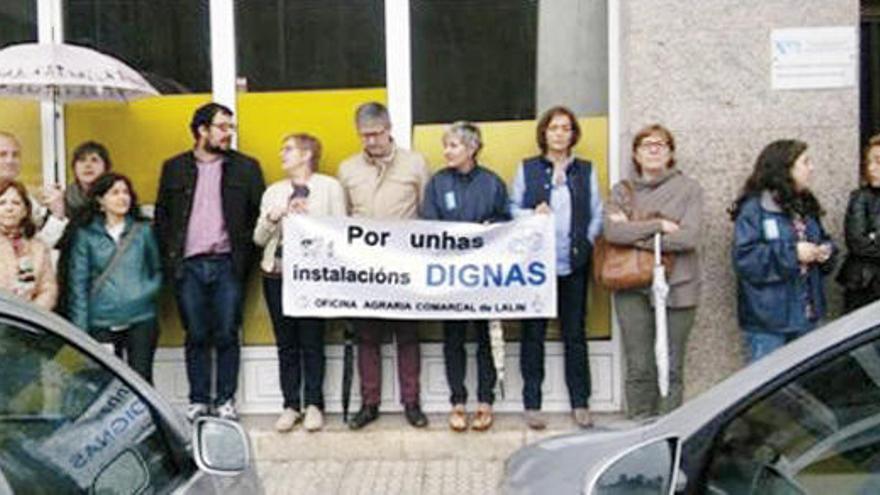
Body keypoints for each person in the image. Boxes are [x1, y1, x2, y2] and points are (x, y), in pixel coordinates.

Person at [155, 103, 265, 420]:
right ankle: (199, 399)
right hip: (188, 265)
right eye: (222, 127)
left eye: (231, 127)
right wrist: (169, 261)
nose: (228, 133)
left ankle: (225, 399)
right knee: (197, 333)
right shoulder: (174, 168)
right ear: (202, 130)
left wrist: (242, 259)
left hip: (227, 263)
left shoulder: (246, 168)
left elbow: (256, 218)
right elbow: (163, 218)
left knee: (228, 332)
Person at [337, 101, 431, 429]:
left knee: (407, 337)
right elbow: (344, 218)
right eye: (364, 136)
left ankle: (412, 403)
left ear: (389, 129)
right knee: (367, 338)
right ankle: (369, 403)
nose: (371, 141)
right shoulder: (348, 169)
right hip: (365, 268)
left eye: (376, 134)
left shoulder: (415, 163)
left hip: (405, 265)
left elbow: (425, 213)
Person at [510, 106, 603, 429]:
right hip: (537, 266)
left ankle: (581, 402)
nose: (560, 134)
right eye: (554, 128)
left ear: (573, 134)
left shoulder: (586, 171)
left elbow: (596, 213)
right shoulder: (528, 169)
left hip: (573, 263)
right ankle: (532, 402)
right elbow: (512, 209)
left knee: (575, 334)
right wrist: (531, 215)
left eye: (566, 128)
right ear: (544, 133)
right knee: (532, 334)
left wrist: (587, 244)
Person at [604, 124, 703, 419]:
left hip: (679, 283)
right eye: (647, 144)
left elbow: (688, 238)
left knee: (671, 365)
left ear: (671, 153)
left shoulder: (689, 189)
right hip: (631, 284)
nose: (654, 149)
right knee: (639, 365)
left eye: (661, 144)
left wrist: (633, 232)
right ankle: (638, 427)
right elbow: (612, 232)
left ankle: (668, 431)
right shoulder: (622, 190)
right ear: (636, 153)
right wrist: (658, 226)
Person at [421, 121, 510, 432]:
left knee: (486, 338)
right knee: (453, 339)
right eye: (446, 145)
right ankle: (457, 401)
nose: (447, 151)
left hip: (484, 276)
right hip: (450, 276)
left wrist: (491, 226)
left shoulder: (493, 183)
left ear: (472, 148)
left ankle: (486, 401)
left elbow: (506, 224)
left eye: (454, 145)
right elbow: (429, 226)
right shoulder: (437, 184)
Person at [254, 133, 345, 432]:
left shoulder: (329, 187)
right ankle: (291, 404)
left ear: (307, 155)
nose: (282, 154)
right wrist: (272, 218)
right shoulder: (273, 191)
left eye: (289, 149)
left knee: (312, 340)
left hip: (312, 277)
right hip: (277, 274)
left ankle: (314, 403)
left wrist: (312, 221)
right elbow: (258, 238)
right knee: (286, 343)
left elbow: (342, 232)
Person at [731, 139, 836, 363]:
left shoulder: (805, 204)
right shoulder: (754, 208)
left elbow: (823, 238)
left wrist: (826, 251)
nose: (812, 168)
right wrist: (793, 253)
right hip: (769, 321)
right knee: (766, 389)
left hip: (808, 314)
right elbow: (745, 259)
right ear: (785, 168)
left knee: (808, 388)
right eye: (805, 162)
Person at [67, 173, 162, 383]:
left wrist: (144, 292)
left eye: (126, 192)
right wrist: (80, 330)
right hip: (101, 320)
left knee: (142, 380)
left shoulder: (143, 231)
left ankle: (146, 417)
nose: (122, 198)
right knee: (106, 382)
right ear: (100, 200)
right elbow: (78, 285)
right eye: (115, 193)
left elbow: (158, 270)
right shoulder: (86, 235)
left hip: (141, 317)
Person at [55, 141, 114, 316]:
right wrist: (57, 214)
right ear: (74, 167)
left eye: (94, 160)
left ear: (106, 167)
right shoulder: (62, 201)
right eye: (81, 160)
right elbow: (52, 243)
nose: (87, 165)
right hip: (70, 280)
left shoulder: (116, 198)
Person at [0, 131, 67, 248]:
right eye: (2, 155)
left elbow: (38, 248)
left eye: (15, 155)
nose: (10, 160)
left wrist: (57, 213)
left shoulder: (24, 196)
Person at [838, 134, 880, 312]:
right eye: (868, 162)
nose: (872, 168)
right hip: (866, 285)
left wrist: (875, 237)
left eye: (878, 161)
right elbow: (858, 243)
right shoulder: (861, 197)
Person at [0, 180, 57, 310]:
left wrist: (32, 313)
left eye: (16, 203)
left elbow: (48, 288)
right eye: (2, 203)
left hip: (28, 322)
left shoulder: (37, 247)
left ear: (25, 210)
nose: (9, 208)